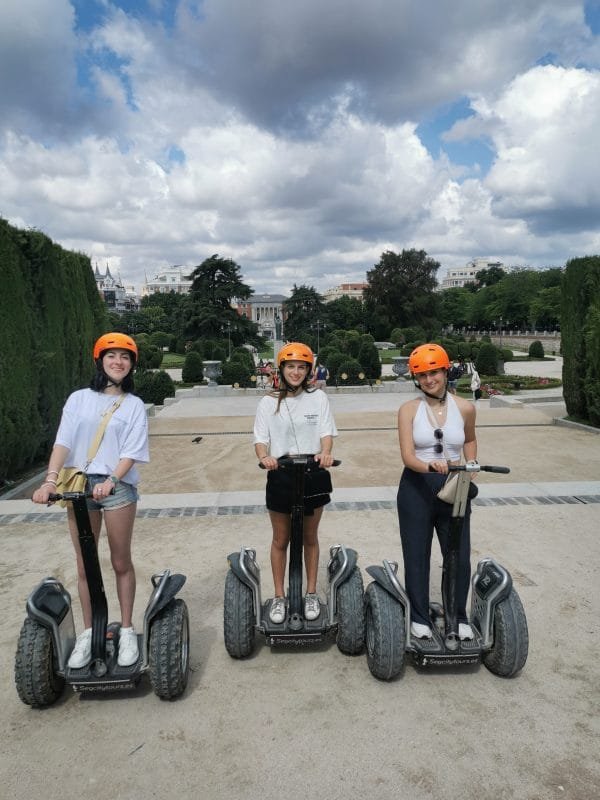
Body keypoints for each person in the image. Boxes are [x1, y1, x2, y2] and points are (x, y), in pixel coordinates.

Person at [32, 333, 149, 669]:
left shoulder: (134, 404)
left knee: (120, 561)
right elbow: (63, 442)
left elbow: (132, 451)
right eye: (111, 356)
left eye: (125, 358)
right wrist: (49, 481)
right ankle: (88, 632)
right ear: (100, 360)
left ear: (131, 365)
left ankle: (126, 629)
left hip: (118, 488)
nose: (118, 362)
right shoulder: (79, 399)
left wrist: (112, 479)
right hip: (79, 487)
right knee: (85, 564)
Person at [396, 343, 478, 641]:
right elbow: (407, 456)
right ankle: (419, 615)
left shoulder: (465, 407)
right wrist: (429, 467)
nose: (430, 380)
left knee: (458, 554)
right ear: (416, 379)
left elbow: (469, 440)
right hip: (417, 486)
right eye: (423, 375)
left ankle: (458, 615)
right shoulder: (408, 410)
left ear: (446, 371)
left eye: (435, 372)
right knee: (417, 554)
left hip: (455, 486)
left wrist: (471, 465)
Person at [253, 342, 337, 624]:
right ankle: (279, 596)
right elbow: (260, 439)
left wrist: (326, 452)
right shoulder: (267, 402)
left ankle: (311, 592)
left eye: (302, 367)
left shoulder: (319, 399)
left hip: (313, 472)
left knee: (310, 538)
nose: (296, 372)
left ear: (309, 370)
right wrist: (265, 457)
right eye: (291, 366)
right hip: (281, 471)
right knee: (281, 539)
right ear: (282, 369)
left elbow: (326, 432)